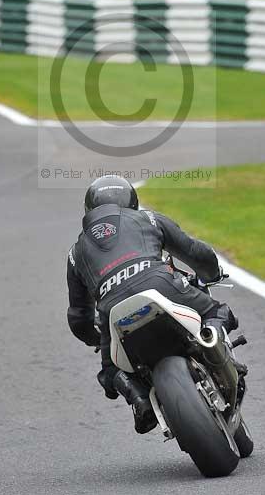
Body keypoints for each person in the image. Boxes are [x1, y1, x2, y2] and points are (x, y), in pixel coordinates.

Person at [66, 176, 241, 434]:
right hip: (159, 283)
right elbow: (194, 251)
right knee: (216, 312)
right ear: (132, 202)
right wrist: (212, 274)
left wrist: (95, 338)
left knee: (110, 371)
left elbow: (79, 316)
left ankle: (140, 400)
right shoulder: (147, 218)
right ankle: (211, 343)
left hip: (111, 309)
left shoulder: (75, 252)